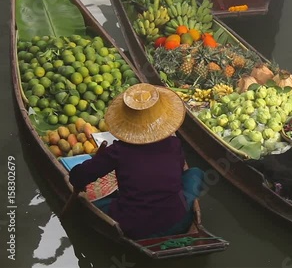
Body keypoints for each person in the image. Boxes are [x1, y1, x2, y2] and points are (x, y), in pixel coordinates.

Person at [69, 83, 205, 240]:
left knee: (95, 205)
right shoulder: (173, 144)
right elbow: (180, 170)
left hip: (136, 227)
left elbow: (80, 177)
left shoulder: (119, 151)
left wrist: (78, 175)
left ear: (127, 122)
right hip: (178, 221)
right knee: (195, 173)